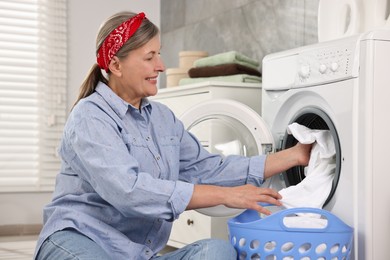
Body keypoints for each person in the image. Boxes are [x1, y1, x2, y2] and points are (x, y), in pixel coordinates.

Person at [34, 11, 312, 260]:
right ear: (116, 66)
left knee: (218, 251)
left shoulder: (163, 119)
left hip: (136, 252)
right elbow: (129, 191)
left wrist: (293, 155)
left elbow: (210, 168)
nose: (161, 66)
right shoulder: (90, 116)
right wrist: (227, 195)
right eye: (149, 57)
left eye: (159, 53)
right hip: (81, 240)